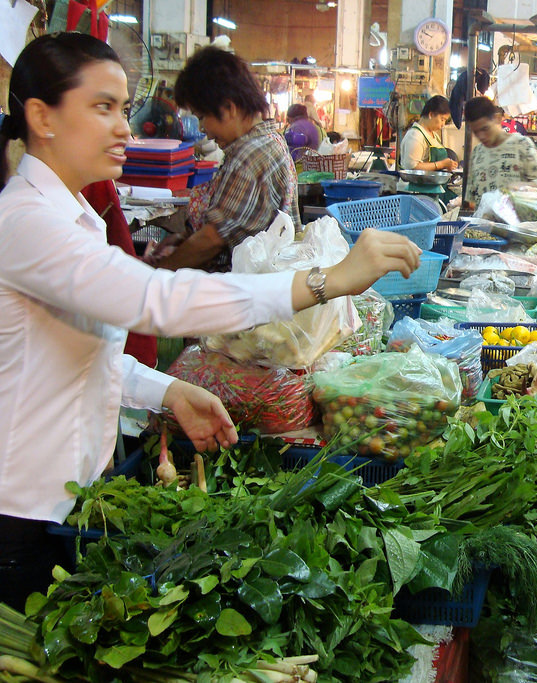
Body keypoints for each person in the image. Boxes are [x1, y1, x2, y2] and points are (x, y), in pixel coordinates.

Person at [0, 32, 419, 610]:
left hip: (78, 496)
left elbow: (76, 357)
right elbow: (157, 300)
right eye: (103, 108)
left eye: (123, 109)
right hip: (22, 510)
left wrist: (170, 389)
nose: (125, 127)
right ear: (42, 117)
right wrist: (324, 282)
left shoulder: (75, 218)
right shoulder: (25, 223)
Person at [146, 47, 301, 272]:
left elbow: (212, 240)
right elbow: (234, 224)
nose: (203, 130)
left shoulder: (249, 156)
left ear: (228, 108)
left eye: (202, 117)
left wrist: (158, 274)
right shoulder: (271, 139)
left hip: (242, 291)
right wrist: (184, 239)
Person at [463, 96, 537, 208]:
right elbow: (472, 199)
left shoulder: (521, 145)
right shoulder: (477, 152)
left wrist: (521, 187)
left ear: (497, 119)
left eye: (485, 129)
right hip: (483, 223)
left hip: (516, 224)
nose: (481, 136)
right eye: (476, 132)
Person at [399, 95, 457, 173]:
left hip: (433, 183)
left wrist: (449, 164)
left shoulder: (434, 136)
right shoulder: (415, 136)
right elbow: (411, 167)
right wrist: (441, 164)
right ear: (431, 115)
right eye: (442, 119)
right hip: (416, 184)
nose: (443, 124)